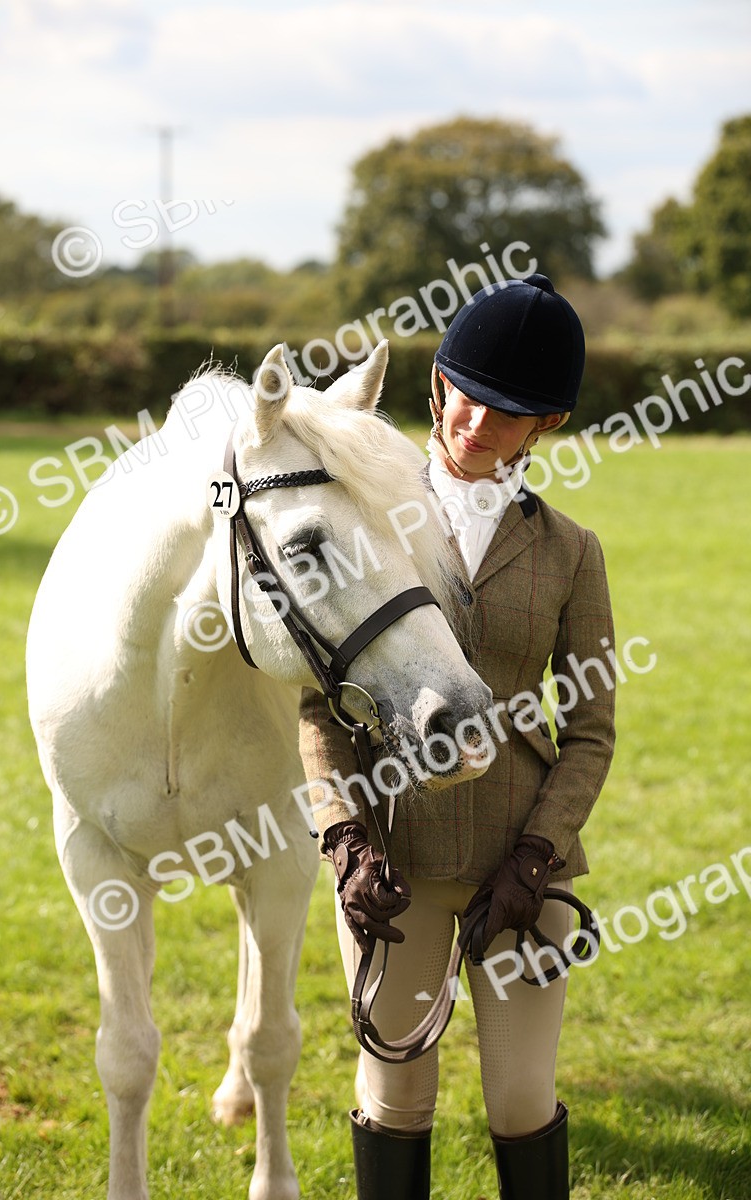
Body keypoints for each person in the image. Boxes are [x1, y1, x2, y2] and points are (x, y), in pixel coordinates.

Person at [298, 273, 616, 1200]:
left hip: (523, 868)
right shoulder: (367, 527)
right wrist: (345, 839)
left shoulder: (571, 552)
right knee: (395, 1096)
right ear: (438, 385)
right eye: (466, 397)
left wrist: (535, 858)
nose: (477, 425)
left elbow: (591, 731)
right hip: (393, 865)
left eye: (507, 414)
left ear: (547, 424)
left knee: (520, 1100)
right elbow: (320, 709)